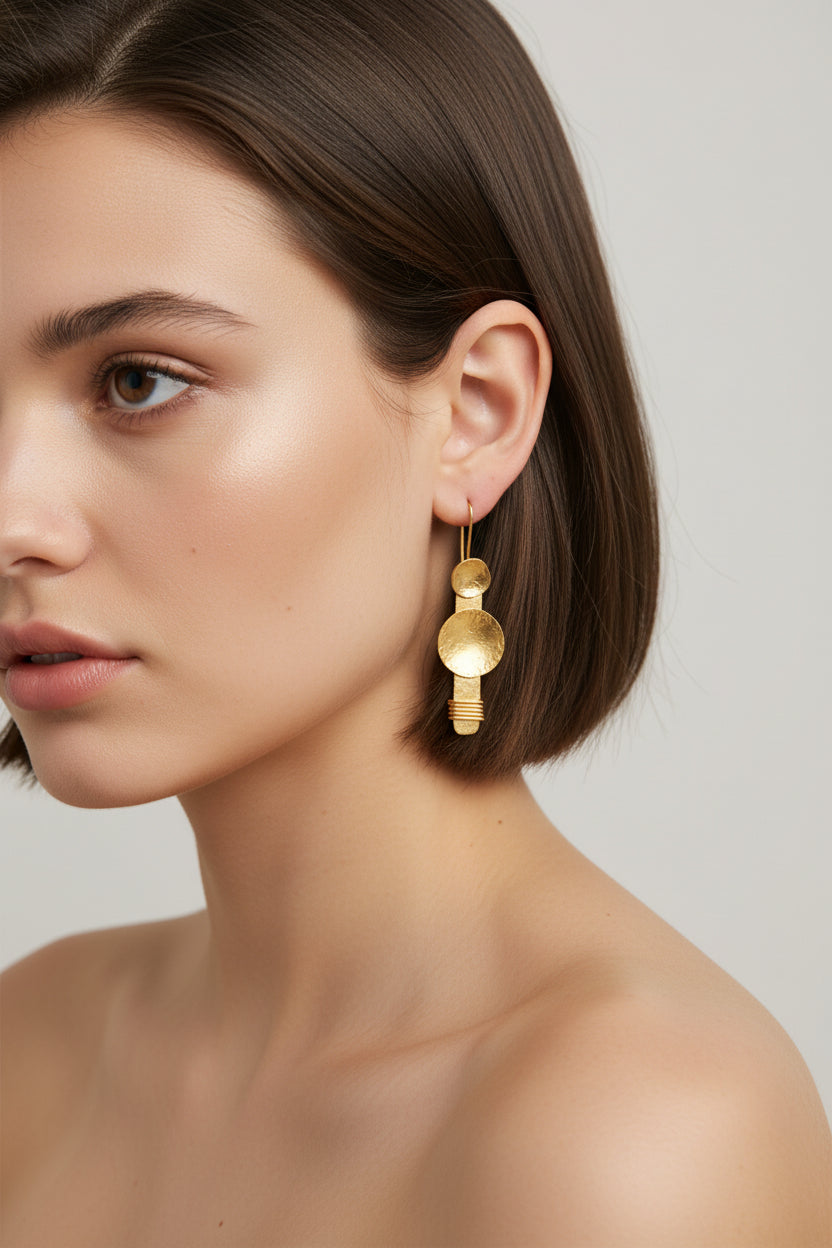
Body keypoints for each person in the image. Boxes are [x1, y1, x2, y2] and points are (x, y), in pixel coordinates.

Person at [1, 0, 830, 1242]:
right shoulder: (34, 1043)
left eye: (138, 381)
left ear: (477, 414)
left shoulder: (634, 1138)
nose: (14, 515)